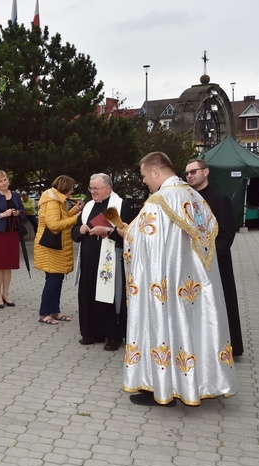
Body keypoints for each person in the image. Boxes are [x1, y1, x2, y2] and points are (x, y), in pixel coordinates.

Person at [124, 152, 237, 407]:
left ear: (155, 171)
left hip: (165, 282)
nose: (144, 182)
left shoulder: (160, 200)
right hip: (192, 281)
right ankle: (195, 383)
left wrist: (125, 233)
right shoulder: (193, 196)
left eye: (144, 176)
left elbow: (146, 244)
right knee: (190, 329)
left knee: (165, 326)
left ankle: (164, 389)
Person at [185, 159, 243, 357]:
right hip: (191, 263)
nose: (190, 176)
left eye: (194, 171)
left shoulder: (220, 198)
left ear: (206, 172)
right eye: (187, 173)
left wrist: (211, 258)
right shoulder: (186, 199)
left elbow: (227, 234)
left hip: (216, 262)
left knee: (222, 303)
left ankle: (228, 345)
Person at [72, 173, 132, 351]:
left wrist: (105, 230)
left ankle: (113, 335)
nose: (92, 192)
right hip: (89, 260)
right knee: (89, 294)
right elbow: (74, 230)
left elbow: (128, 234)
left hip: (110, 260)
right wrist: (80, 229)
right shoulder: (89, 206)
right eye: (91, 188)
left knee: (109, 297)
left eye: (96, 188)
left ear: (108, 188)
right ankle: (91, 332)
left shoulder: (120, 205)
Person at [34, 175, 83, 325]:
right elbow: (54, 225)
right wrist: (76, 219)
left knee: (57, 279)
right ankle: (44, 313)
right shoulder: (53, 202)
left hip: (55, 247)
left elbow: (62, 217)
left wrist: (75, 210)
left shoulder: (57, 200)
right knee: (53, 280)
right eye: (71, 188)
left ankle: (54, 310)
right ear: (65, 187)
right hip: (50, 247)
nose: (72, 191)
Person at [0, 170, 26, 308]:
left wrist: (16, 213)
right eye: (1, 181)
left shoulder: (15, 195)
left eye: (5, 179)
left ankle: (6, 294)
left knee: (8, 266)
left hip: (12, 234)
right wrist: (2, 215)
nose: (4, 183)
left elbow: (24, 211)